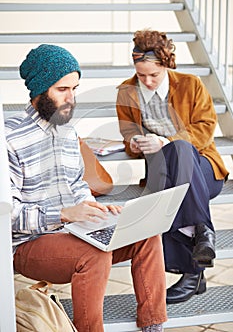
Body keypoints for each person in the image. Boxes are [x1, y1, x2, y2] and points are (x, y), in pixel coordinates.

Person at [5, 44, 167, 332]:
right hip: (27, 245)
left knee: (147, 234)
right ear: (39, 91)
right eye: (62, 90)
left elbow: (77, 184)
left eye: (75, 89)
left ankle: (152, 325)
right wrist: (65, 214)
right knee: (94, 255)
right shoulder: (10, 139)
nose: (71, 99)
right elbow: (10, 215)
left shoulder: (68, 131)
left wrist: (94, 208)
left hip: (72, 232)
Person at [116, 29, 229, 304]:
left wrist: (166, 141)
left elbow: (205, 129)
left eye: (154, 75)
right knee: (172, 177)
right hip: (163, 171)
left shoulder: (191, 85)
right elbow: (128, 133)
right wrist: (134, 144)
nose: (147, 81)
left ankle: (192, 273)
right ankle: (202, 234)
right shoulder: (126, 91)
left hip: (203, 168)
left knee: (179, 150)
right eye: (141, 75)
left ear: (166, 65)